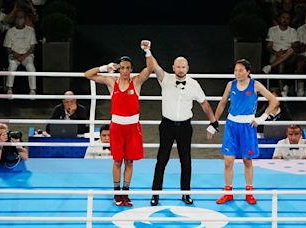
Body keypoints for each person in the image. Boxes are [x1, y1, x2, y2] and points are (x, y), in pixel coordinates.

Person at [146, 42, 218, 206]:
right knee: (162, 159)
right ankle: (155, 194)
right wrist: (148, 51)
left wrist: (213, 121)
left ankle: (186, 194)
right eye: (178, 66)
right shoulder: (165, 78)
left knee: (186, 160)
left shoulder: (194, 84)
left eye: (183, 67)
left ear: (187, 68)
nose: (180, 69)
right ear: (173, 67)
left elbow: (205, 104)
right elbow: (153, 66)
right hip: (167, 125)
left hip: (185, 126)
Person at [84, 41, 153, 207]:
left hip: (133, 128)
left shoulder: (136, 82)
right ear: (118, 68)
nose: (125, 71)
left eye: (128, 68)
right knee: (117, 161)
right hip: (117, 128)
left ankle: (125, 193)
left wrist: (147, 51)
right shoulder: (111, 82)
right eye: (122, 68)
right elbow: (87, 75)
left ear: (131, 69)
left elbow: (150, 68)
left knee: (130, 161)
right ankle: (116, 193)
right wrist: (104, 67)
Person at [214, 59, 278, 205]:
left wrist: (261, 118)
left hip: (247, 126)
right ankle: (228, 192)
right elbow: (223, 103)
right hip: (231, 125)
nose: (237, 73)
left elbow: (273, 100)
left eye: (241, 70)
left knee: (247, 160)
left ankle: (249, 192)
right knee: (228, 161)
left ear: (248, 72)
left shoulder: (255, 85)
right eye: (236, 70)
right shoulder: (230, 85)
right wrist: (214, 122)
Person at [3, 9, 37, 95]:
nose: (19, 19)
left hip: (27, 55)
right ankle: (9, 89)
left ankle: (32, 90)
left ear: (25, 19)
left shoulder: (30, 30)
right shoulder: (10, 31)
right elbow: (8, 48)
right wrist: (17, 56)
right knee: (12, 67)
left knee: (31, 68)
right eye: (17, 17)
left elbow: (32, 47)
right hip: (14, 55)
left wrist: (24, 56)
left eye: (21, 17)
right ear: (15, 19)